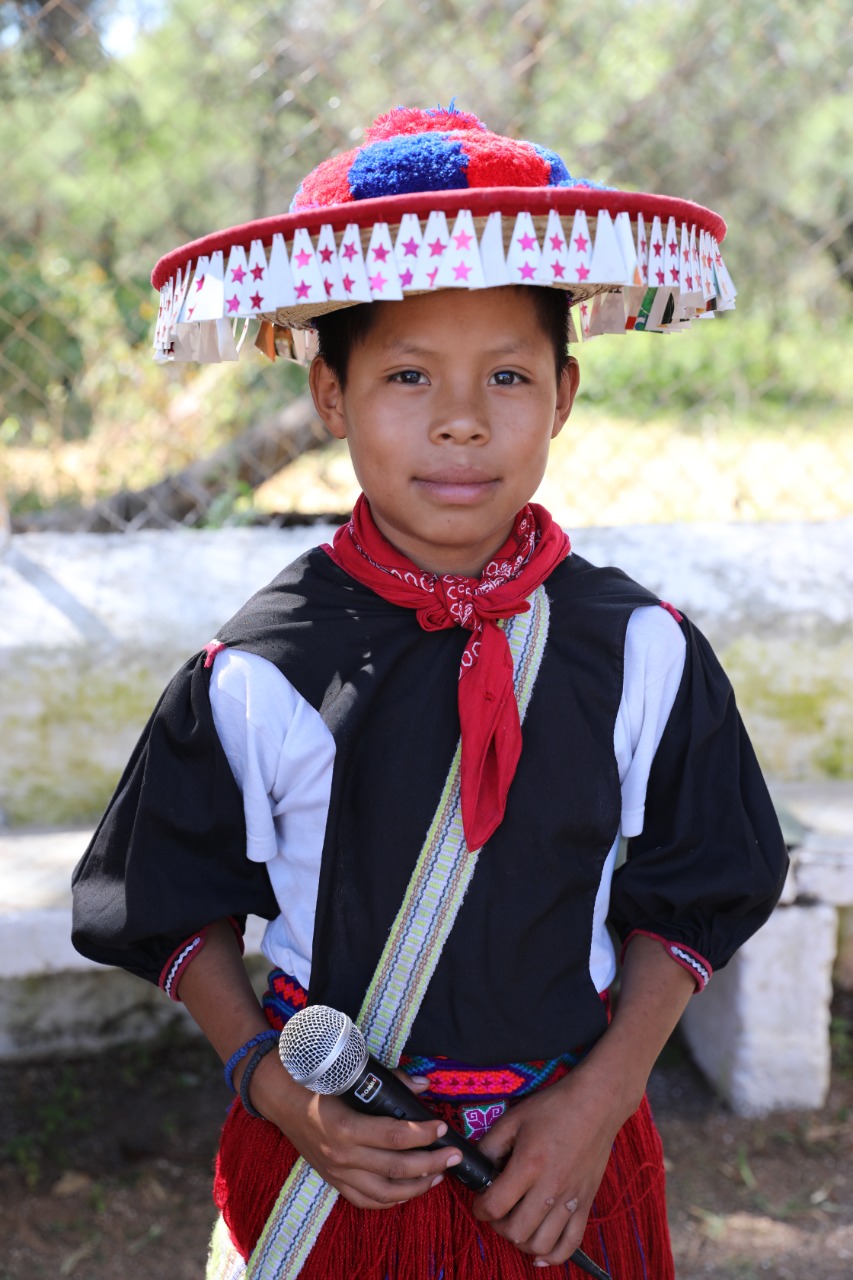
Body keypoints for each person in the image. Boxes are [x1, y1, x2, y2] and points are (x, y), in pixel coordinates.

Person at [72, 104, 788, 1280]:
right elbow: (165, 899)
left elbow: (698, 889)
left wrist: (601, 1102)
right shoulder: (255, 670)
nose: (461, 417)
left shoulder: (644, 651)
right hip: (329, 1172)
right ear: (331, 397)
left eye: (506, 373)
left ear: (562, 394)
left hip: (562, 1170)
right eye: (407, 374)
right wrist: (271, 1083)